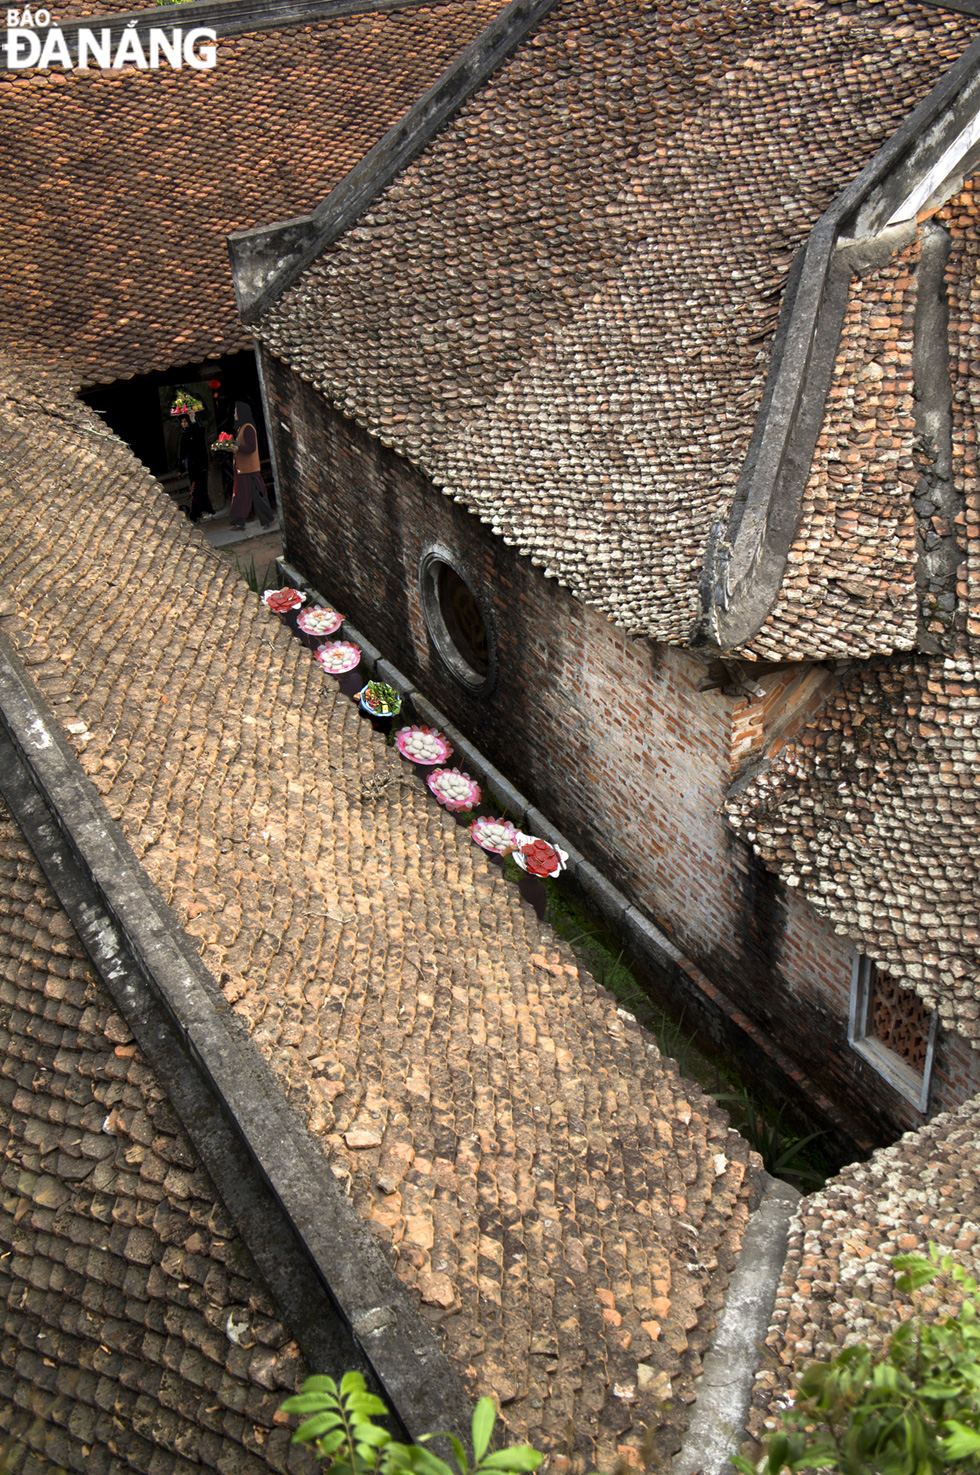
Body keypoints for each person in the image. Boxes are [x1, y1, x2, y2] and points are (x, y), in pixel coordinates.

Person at [229, 401, 276, 530]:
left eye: (236, 412)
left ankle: (269, 519)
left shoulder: (248, 427)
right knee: (240, 494)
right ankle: (238, 521)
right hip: (242, 468)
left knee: (257, 495)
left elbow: (251, 447)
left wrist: (237, 449)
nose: (234, 414)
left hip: (249, 469)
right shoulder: (241, 428)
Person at [177, 414, 213, 523]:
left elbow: (200, 435)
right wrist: (181, 469)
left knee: (201, 488)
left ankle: (202, 511)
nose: (184, 424)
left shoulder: (197, 432)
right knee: (196, 489)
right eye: (182, 422)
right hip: (192, 466)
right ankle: (197, 513)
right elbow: (182, 453)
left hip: (201, 465)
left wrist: (193, 420)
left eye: (185, 422)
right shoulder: (184, 436)